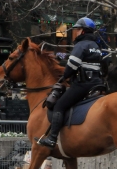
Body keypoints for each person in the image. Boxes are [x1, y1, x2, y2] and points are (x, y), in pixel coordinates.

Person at [37, 17, 103, 149]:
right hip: (97, 83)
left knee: (60, 106)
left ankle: (52, 138)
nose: (75, 32)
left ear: (83, 31)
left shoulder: (81, 45)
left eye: (77, 29)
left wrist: (63, 77)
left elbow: (72, 66)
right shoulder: (96, 46)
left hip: (83, 84)